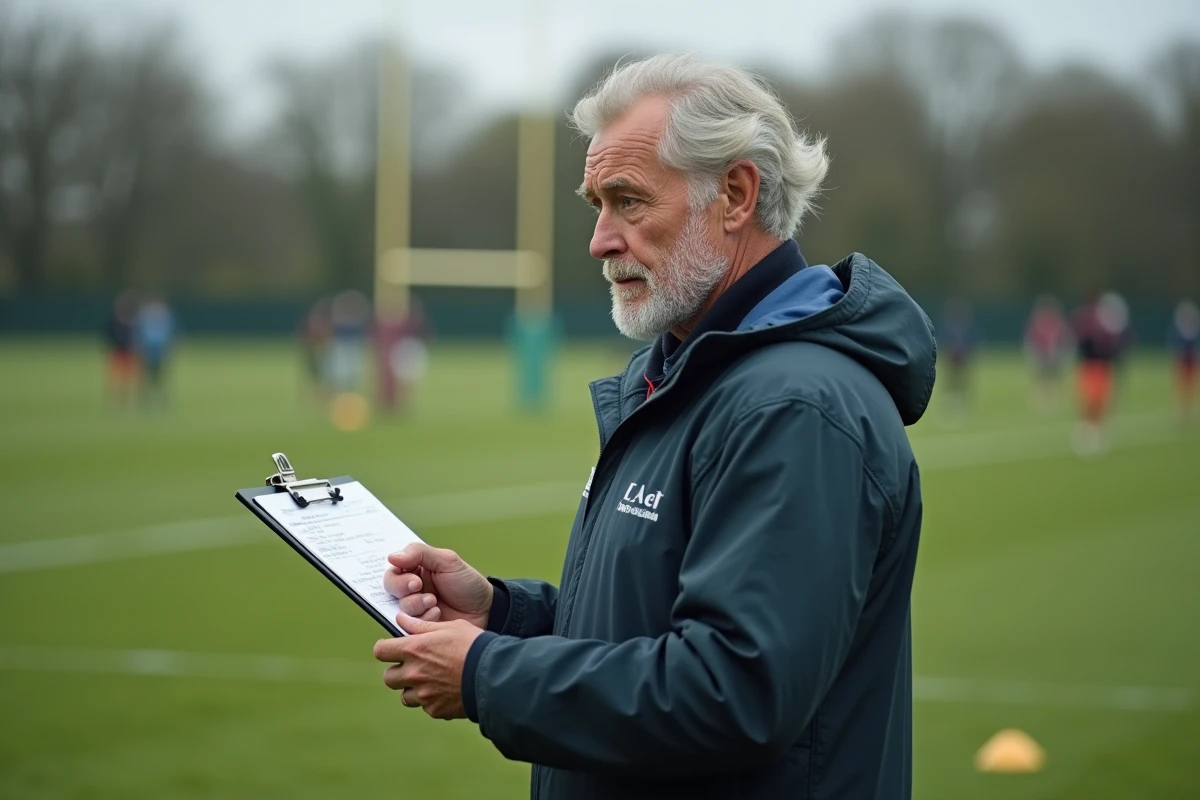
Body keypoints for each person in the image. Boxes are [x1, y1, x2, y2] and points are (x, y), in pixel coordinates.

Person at [372, 55, 936, 800]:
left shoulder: (792, 406)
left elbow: (733, 690)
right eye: (595, 204)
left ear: (735, 195)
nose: (600, 240)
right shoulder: (694, 376)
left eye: (628, 201)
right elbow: (647, 630)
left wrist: (485, 675)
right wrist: (502, 615)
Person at [1071, 292, 1125, 454]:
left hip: (1103, 367)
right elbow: (1081, 344)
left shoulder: (1108, 323)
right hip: (1089, 366)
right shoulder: (1084, 322)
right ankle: (1087, 434)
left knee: (1102, 403)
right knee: (1088, 402)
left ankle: (1100, 434)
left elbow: (1114, 347)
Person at [1023, 294, 1071, 415]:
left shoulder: (1058, 323)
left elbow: (1064, 338)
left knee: (1053, 378)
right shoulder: (1036, 323)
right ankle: (1039, 401)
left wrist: (1063, 353)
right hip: (1040, 353)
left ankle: (1053, 401)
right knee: (1041, 378)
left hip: (1054, 354)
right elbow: (1031, 339)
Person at [133, 295, 176, 409]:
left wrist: (170, 350)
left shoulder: (166, 318)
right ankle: (143, 401)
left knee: (159, 379)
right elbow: (137, 335)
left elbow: (172, 336)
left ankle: (159, 401)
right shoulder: (143, 318)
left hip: (160, 353)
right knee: (144, 378)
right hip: (146, 352)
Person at [939, 296, 977, 421]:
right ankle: (951, 403)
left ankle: (962, 402)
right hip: (952, 357)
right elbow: (945, 342)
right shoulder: (949, 325)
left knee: (961, 380)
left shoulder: (966, 326)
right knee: (951, 380)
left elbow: (971, 342)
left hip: (962, 357)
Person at [104, 290, 139, 407]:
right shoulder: (114, 321)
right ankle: (115, 399)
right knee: (115, 377)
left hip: (129, 352)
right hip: (117, 351)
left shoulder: (133, 322)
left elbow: (136, 337)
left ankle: (126, 398)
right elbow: (108, 336)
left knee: (129, 377)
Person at [1170, 299, 1199, 423]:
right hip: (1183, 362)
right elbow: (1175, 347)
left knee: (1192, 387)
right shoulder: (1179, 330)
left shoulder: (1194, 331)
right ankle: (1182, 412)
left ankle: (1189, 411)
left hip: (1192, 362)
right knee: (1182, 387)